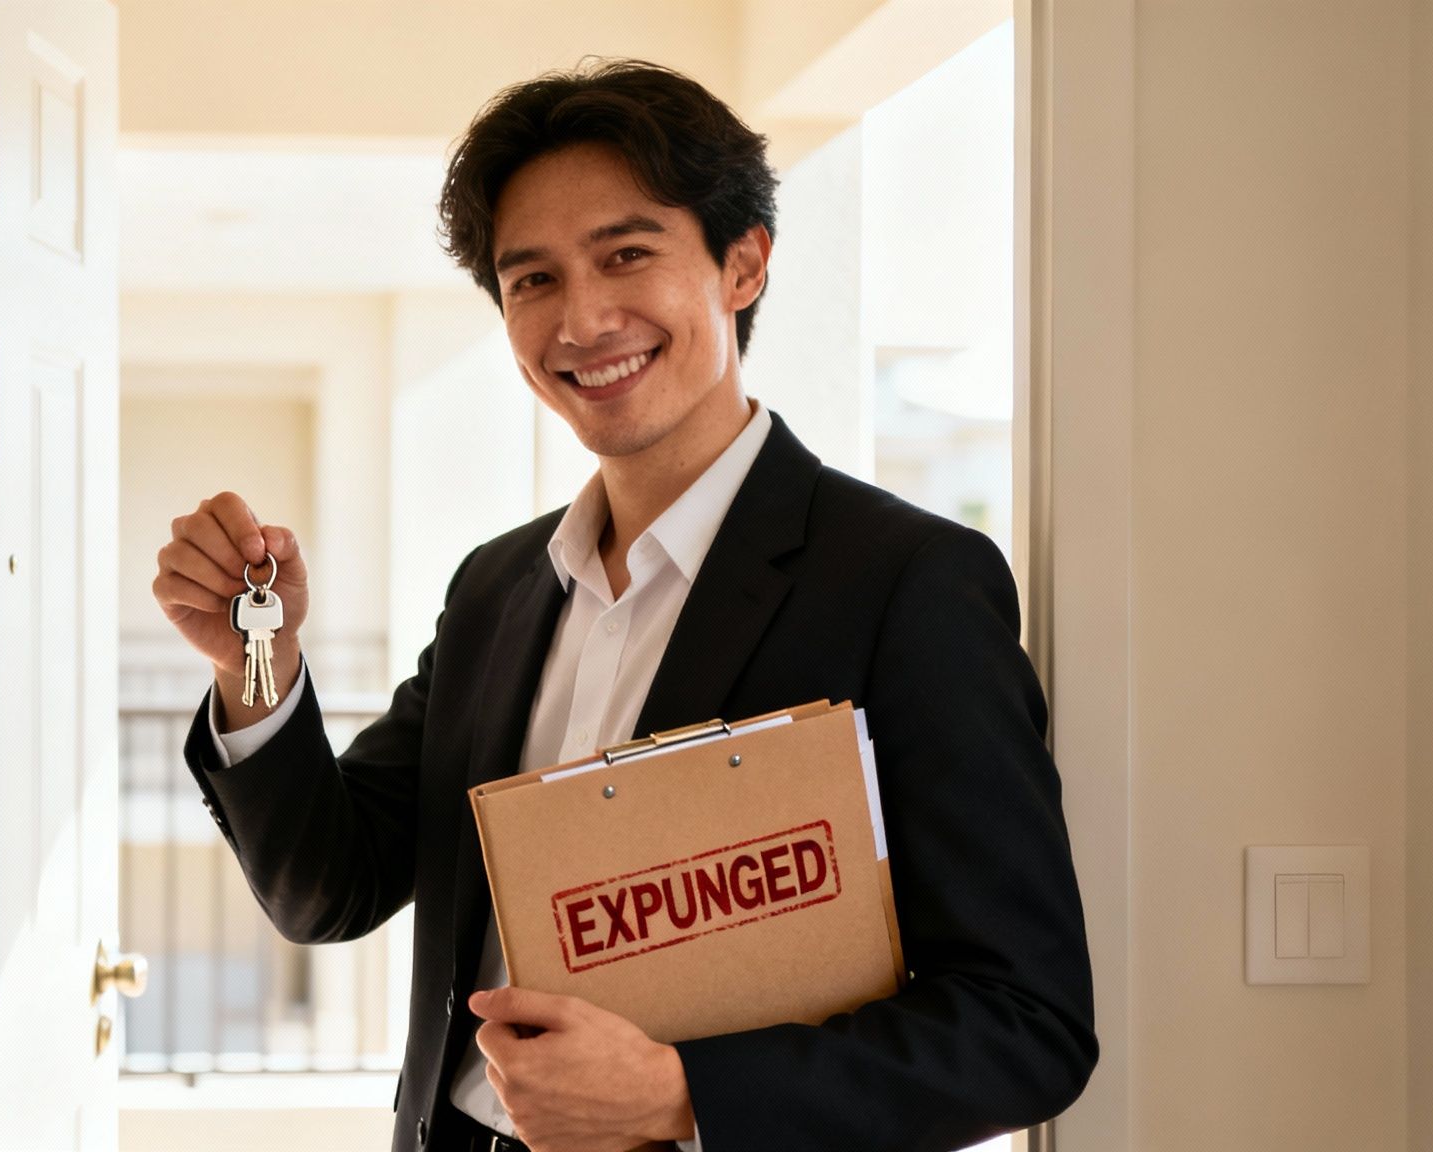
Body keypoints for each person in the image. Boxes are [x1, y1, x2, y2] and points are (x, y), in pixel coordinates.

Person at [151, 59, 1097, 1152]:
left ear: (742, 264)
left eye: (626, 255)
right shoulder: (496, 588)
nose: (582, 319)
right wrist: (249, 668)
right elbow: (330, 888)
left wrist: (681, 1094)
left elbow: (1024, 1027)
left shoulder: (905, 582)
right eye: (532, 280)